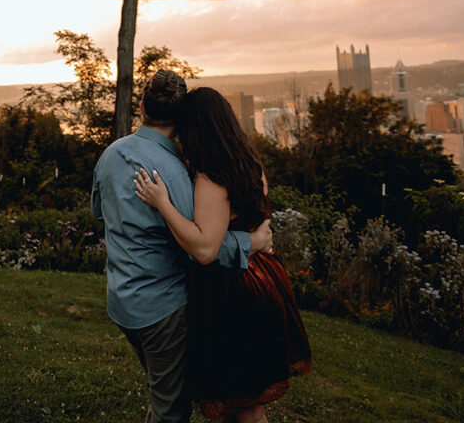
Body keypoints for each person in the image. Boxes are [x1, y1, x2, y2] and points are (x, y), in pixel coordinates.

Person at [91, 69, 274, 423]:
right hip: (162, 307)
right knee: (171, 408)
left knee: (163, 387)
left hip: (121, 300)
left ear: (142, 105)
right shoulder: (175, 173)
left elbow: (100, 211)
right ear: (180, 116)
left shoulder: (111, 155)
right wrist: (252, 241)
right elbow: (204, 244)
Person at [135, 86, 312, 423]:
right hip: (265, 279)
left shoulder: (210, 177)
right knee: (247, 405)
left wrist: (163, 204)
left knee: (243, 406)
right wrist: (253, 240)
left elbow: (204, 249)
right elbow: (260, 222)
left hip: (234, 294)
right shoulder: (250, 164)